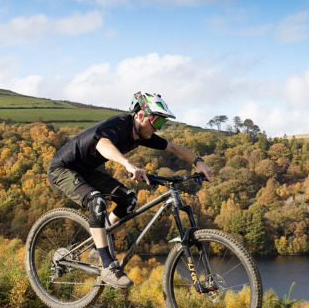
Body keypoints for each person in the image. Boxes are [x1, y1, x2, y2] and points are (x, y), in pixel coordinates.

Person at [47, 92, 212, 289]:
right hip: (63, 170)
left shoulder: (143, 135)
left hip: (89, 171)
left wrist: (199, 162)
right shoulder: (119, 124)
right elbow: (103, 144)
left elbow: (174, 148)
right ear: (140, 115)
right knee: (97, 201)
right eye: (155, 121)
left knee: (129, 199)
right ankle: (108, 265)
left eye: (161, 124)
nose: (157, 127)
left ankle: (96, 245)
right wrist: (128, 164)